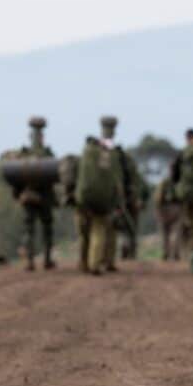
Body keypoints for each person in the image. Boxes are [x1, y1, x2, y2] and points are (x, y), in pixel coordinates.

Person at [74, 116, 129, 275]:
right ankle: (94, 264)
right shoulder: (112, 154)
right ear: (113, 131)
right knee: (98, 231)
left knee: (84, 233)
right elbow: (117, 180)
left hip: (82, 200)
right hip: (102, 202)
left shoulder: (88, 151)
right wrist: (118, 201)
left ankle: (83, 263)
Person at [7, 116, 57, 271]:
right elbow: (55, 175)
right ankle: (47, 260)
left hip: (28, 197)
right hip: (45, 197)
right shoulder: (47, 154)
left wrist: (19, 195)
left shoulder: (23, 154)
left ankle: (30, 261)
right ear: (42, 136)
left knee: (29, 230)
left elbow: (16, 180)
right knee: (46, 229)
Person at [154, 176, 183, 261]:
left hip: (163, 209)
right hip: (175, 208)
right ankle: (175, 253)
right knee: (176, 232)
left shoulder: (163, 183)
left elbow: (157, 198)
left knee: (164, 234)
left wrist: (158, 212)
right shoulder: (179, 183)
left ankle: (165, 253)